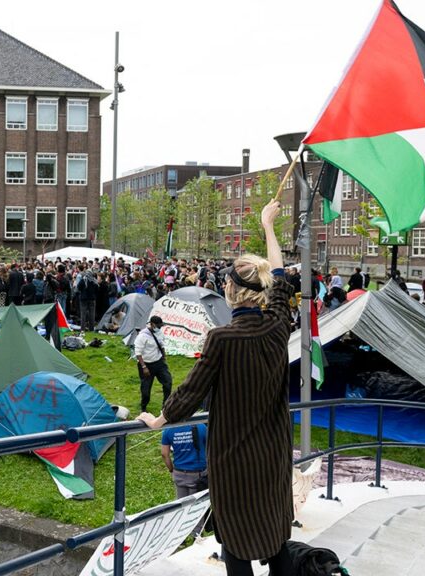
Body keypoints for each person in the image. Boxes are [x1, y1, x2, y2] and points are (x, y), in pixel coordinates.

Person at [137, 198, 293, 575]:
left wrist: (159, 420)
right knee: (275, 536)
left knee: (235, 544)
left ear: (234, 292)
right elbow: (282, 277)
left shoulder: (222, 337)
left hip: (234, 459)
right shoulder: (277, 326)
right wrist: (267, 226)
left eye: (225, 281)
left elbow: (191, 391)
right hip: (273, 453)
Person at [161, 422, 209, 535]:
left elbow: (164, 454)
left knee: (181, 504)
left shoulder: (169, 430)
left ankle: (179, 534)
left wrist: (171, 469)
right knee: (196, 505)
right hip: (198, 474)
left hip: (179, 472)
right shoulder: (201, 426)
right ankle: (196, 534)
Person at [133, 315, 172, 413]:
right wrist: (144, 367)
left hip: (159, 363)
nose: (160, 328)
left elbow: (161, 345)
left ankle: (166, 405)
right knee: (146, 389)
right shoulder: (142, 336)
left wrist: (164, 356)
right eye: (159, 326)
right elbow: (138, 353)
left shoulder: (159, 333)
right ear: (153, 324)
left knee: (168, 382)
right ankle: (143, 407)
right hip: (146, 365)